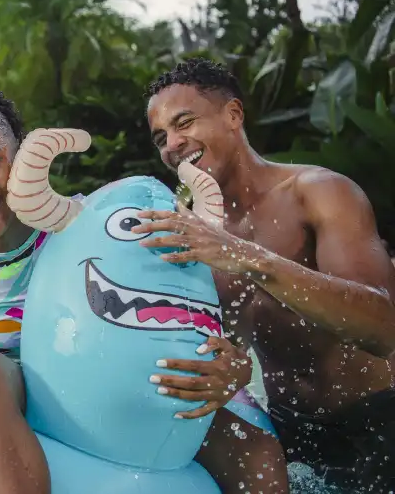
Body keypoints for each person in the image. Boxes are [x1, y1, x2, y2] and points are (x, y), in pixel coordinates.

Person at [0, 82, 289, 494]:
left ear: (20, 160)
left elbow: (177, 303)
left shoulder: (79, 225)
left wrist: (235, 368)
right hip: (15, 394)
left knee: (260, 454)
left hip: (110, 378)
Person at [140, 57, 395, 492]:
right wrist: (231, 369)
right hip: (290, 435)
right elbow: (228, 347)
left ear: (233, 115)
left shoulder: (317, 193)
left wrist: (246, 256)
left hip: (378, 420)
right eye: (162, 137)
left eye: (185, 123)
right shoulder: (197, 233)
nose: (173, 145)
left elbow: (382, 326)